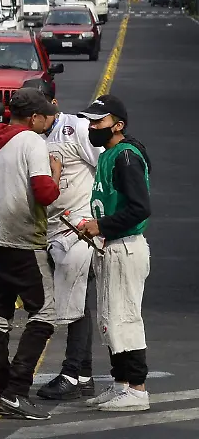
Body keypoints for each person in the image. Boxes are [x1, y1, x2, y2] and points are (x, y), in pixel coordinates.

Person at [0, 88, 62, 420]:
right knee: (44, 314)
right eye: (47, 118)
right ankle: (16, 391)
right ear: (35, 117)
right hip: (26, 242)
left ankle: (3, 386)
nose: (48, 123)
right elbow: (44, 193)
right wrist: (57, 174)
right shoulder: (33, 143)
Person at [21, 79, 103, 402]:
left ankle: (71, 373)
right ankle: (83, 375)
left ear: (52, 104)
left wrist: (101, 221)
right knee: (76, 303)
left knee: (75, 300)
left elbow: (103, 167)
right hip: (52, 232)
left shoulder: (76, 129)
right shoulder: (29, 139)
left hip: (80, 230)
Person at [76, 94, 153, 412]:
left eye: (99, 122)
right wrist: (93, 226)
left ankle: (137, 389)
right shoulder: (108, 155)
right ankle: (121, 383)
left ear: (118, 125)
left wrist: (101, 225)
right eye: (91, 122)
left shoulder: (125, 157)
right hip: (111, 246)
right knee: (110, 318)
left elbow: (140, 208)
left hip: (125, 246)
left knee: (125, 318)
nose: (92, 127)